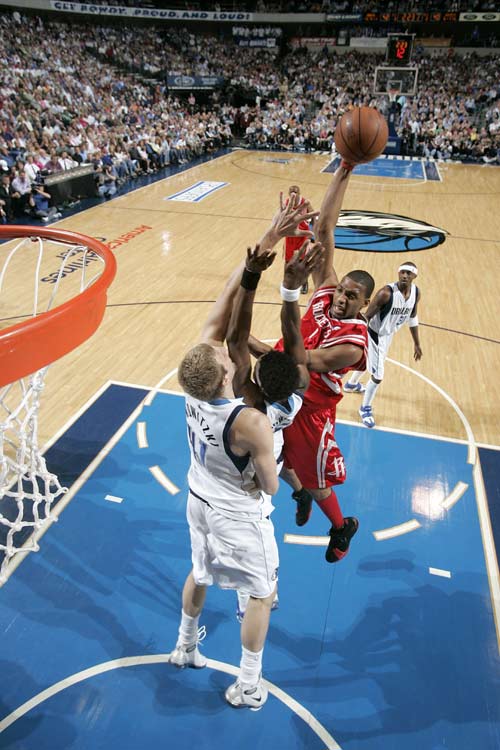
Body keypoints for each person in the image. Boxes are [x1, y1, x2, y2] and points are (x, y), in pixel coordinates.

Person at [168, 200, 317, 710]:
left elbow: (229, 328)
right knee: (261, 595)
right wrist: (286, 285)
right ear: (225, 376)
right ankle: (248, 685)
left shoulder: (197, 387)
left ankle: (185, 646)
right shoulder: (258, 419)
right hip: (238, 512)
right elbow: (271, 483)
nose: (224, 353)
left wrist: (259, 262)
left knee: (200, 572)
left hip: (198, 496)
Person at [250, 164, 375, 563]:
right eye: (341, 290)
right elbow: (325, 229)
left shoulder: (353, 345)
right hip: (278, 386)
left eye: (352, 297)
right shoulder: (326, 290)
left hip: (309, 407)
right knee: (268, 454)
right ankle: (298, 493)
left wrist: (244, 340)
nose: (341, 298)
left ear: (364, 305)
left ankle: (341, 526)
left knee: (317, 481)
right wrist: (344, 169)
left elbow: (300, 362)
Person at [344, 262, 422, 429]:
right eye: (402, 272)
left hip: (388, 335)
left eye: (408, 273)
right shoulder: (386, 293)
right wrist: (354, 333)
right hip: (375, 334)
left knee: (371, 363)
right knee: (378, 376)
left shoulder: (415, 293)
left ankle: (351, 384)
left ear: (415, 276)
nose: (404, 275)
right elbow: (366, 316)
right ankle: (365, 409)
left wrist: (416, 343)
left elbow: (413, 316)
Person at [283, 184, 311, 295]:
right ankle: (286, 282)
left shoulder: (305, 202)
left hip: (302, 235)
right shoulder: (286, 203)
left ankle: (304, 283)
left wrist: (313, 227)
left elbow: (313, 215)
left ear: (299, 193)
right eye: (291, 192)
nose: (293, 194)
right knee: (287, 260)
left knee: (302, 260)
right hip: (290, 235)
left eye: (295, 192)